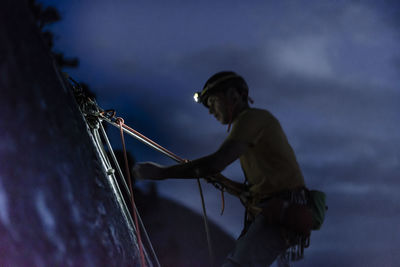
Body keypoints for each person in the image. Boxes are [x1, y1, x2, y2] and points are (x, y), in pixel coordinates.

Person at [133, 71, 312, 267]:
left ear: (233, 95)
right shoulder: (257, 122)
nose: (211, 111)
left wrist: (160, 173)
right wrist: (224, 182)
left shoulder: (251, 119)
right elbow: (257, 188)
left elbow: (214, 163)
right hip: (282, 211)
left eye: (212, 102)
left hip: (280, 211)